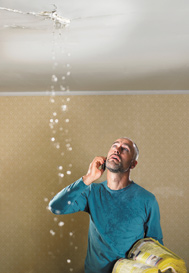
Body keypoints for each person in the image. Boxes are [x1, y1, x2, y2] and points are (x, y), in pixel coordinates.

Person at [49, 137, 163, 273]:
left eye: (125, 148)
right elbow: (56, 207)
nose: (117, 149)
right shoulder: (92, 192)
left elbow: (155, 247)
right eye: (114, 146)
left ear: (133, 164)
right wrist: (88, 178)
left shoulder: (148, 200)